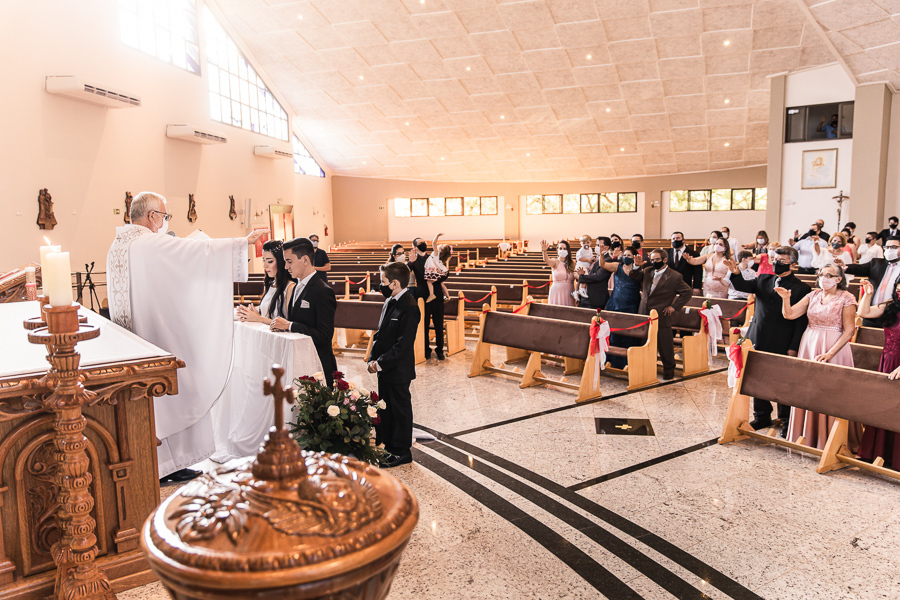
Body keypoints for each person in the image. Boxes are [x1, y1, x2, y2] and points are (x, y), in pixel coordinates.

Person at [106, 191, 268, 482]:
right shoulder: (148, 243)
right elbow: (193, 254)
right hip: (157, 336)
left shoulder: (118, 245)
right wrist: (242, 242)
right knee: (179, 387)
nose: (165, 221)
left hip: (136, 337)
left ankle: (166, 462)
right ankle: (171, 462)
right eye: (164, 215)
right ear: (152, 216)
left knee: (158, 399)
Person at [725, 246, 811, 434]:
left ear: (793, 264)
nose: (776, 263)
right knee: (757, 379)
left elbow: (801, 321)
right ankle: (762, 415)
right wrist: (735, 273)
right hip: (758, 337)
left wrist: (793, 346)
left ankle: (786, 419)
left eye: (782, 261)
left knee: (783, 381)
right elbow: (743, 286)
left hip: (782, 340)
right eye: (775, 259)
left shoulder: (802, 288)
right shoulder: (764, 279)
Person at [777, 263, 860, 450]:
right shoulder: (813, 295)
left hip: (834, 346)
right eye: (821, 274)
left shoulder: (847, 298)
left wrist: (830, 352)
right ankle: (806, 434)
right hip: (810, 341)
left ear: (839, 279)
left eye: (829, 275)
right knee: (807, 388)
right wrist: (785, 299)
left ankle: (831, 438)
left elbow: (849, 331)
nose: (824, 278)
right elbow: (789, 315)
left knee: (830, 391)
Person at [368, 262, 420, 469]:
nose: (381, 285)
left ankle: (402, 451)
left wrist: (381, 362)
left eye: (383, 282)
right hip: (383, 367)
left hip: (398, 369)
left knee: (400, 409)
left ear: (395, 283)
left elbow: (403, 344)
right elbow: (380, 334)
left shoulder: (410, 306)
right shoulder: (389, 301)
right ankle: (389, 444)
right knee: (386, 407)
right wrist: (373, 357)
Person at [271, 237, 338, 387]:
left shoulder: (323, 291)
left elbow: (324, 336)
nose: (286, 267)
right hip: (302, 360)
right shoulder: (296, 287)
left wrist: (289, 325)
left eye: (289, 261)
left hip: (319, 364)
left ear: (305, 260)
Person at [856, 276, 900, 468]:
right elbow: (863, 312)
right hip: (889, 360)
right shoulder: (891, 305)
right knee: (884, 405)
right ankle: (878, 451)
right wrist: (868, 295)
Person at [629, 249, 692, 380]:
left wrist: (674, 307)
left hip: (661, 313)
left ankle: (669, 371)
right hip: (645, 312)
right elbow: (633, 275)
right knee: (644, 340)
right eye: (652, 260)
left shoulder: (674, 276)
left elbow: (687, 292)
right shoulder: (647, 271)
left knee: (665, 344)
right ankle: (646, 368)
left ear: (664, 259)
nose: (653, 262)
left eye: (657, 259)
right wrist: (636, 266)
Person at [843, 236, 900, 326]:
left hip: (894, 316)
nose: (889, 250)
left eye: (894, 247)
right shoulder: (877, 263)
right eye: (887, 247)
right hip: (870, 313)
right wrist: (844, 267)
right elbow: (860, 268)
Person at [599, 247, 641, 369]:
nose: (626, 257)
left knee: (628, 332)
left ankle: (627, 360)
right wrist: (602, 255)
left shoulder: (638, 270)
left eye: (629, 255)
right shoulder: (617, 266)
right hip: (616, 303)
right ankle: (611, 359)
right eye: (625, 255)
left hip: (631, 304)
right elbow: (602, 264)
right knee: (614, 331)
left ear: (634, 257)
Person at [237, 240, 295, 325]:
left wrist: (259, 318)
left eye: (270, 261)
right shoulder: (271, 284)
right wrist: (252, 312)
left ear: (281, 262)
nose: (265, 265)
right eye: (264, 260)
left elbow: (289, 325)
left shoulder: (290, 288)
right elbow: (266, 314)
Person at [423, 242, 451, 360]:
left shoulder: (439, 265)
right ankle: (426, 349)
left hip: (436, 295)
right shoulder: (432, 261)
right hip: (427, 294)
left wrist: (447, 294)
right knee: (425, 324)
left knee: (438, 324)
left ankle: (440, 350)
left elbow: (440, 280)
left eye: (439, 248)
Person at [576, 236, 611, 309]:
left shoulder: (607, 260)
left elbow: (598, 276)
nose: (596, 247)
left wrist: (581, 277)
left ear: (606, 247)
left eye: (599, 245)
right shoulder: (596, 258)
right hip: (587, 296)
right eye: (596, 245)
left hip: (595, 298)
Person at [542, 239, 576, 306]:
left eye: (564, 248)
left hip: (569, 292)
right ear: (557, 250)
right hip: (557, 292)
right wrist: (544, 251)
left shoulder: (572, 262)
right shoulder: (555, 262)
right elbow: (547, 260)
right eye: (560, 248)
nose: (562, 250)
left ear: (568, 250)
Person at [574, 234, 595, 301]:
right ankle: (582, 290)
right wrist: (587, 260)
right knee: (585, 278)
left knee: (580, 280)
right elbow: (579, 258)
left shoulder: (590, 249)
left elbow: (591, 256)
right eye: (584, 243)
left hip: (586, 267)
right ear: (580, 243)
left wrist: (592, 258)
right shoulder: (580, 251)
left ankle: (576, 292)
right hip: (581, 266)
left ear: (591, 242)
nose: (586, 244)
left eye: (588, 242)